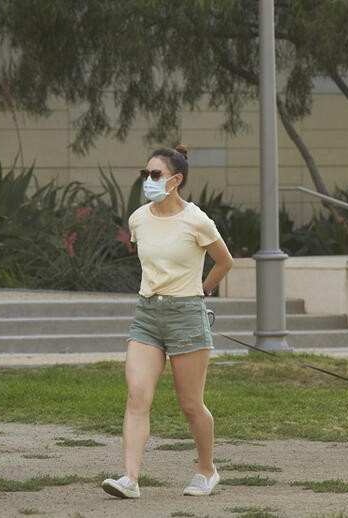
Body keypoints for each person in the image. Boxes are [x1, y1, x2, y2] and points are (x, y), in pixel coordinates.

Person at [102, 144, 233, 499]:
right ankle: (130, 478)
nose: (148, 180)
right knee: (136, 397)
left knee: (191, 404)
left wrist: (200, 293)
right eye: (145, 174)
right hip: (147, 315)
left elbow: (224, 262)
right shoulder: (138, 218)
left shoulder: (197, 220)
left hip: (186, 316)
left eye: (155, 175)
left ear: (175, 180)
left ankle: (207, 470)